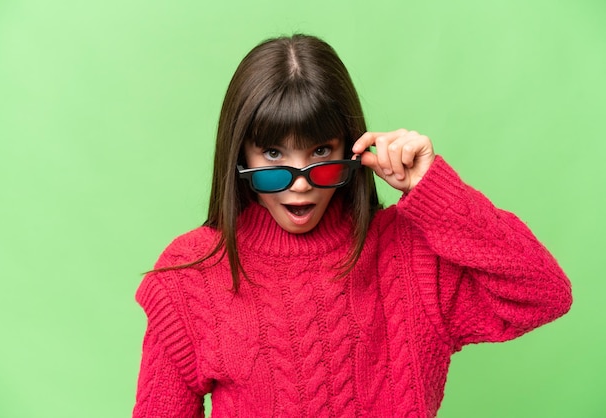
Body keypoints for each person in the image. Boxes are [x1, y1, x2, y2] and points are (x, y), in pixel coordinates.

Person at [133, 34, 572, 417]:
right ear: (240, 156)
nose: (300, 184)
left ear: (351, 148)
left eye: (321, 151)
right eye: (272, 156)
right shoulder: (192, 271)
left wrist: (431, 187)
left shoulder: (411, 254)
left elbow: (543, 293)